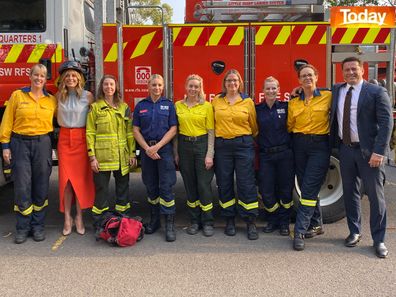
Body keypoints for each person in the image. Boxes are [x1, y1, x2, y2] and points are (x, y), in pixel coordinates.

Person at [330, 57, 393, 258]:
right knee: (350, 193)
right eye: (346, 69)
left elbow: (386, 123)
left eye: (354, 69)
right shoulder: (337, 90)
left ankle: (379, 239)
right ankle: (354, 231)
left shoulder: (376, 92)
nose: (350, 73)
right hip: (346, 150)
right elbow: (318, 92)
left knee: (376, 197)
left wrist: (379, 152)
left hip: (369, 153)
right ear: (342, 72)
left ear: (362, 70)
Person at [0, 64, 57, 244]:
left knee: (40, 185)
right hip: (20, 143)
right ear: (30, 76)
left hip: (42, 143)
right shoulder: (18, 95)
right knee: (22, 186)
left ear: (46, 78)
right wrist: (5, 146)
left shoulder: (51, 100)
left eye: (42, 76)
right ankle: (22, 228)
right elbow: (7, 121)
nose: (39, 79)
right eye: (36, 75)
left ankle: (37, 226)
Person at [287, 64, 331, 251]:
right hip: (299, 144)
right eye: (303, 76)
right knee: (306, 184)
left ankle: (299, 231)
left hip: (319, 145)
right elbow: (290, 125)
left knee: (308, 187)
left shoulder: (329, 96)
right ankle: (317, 224)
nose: (307, 78)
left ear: (317, 77)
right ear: (299, 80)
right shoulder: (293, 102)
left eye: (310, 75)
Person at [212, 69, 259, 240]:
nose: (232, 83)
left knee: (246, 183)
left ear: (240, 83)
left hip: (242, 145)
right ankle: (229, 220)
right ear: (224, 83)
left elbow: (254, 126)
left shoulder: (247, 102)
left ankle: (250, 221)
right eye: (229, 81)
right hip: (222, 146)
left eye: (235, 80)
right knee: (224, 183)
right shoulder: (217, 100)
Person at [86, 75, 137, 230]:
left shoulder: (124, 107)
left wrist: (132, 153)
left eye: (112, 84)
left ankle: (123, 219)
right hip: (102, 158)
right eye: (106, 84)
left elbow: (129, 132)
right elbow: (90, 133)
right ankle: (99, 222)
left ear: (116, 87)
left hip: (122, 157)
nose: (109, 87)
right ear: (102, 87)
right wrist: (92, 157)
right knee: (101, 191)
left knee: (123, 190)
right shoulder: (95, 107)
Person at [132, 74, 178, 242]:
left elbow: (173, 129)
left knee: (166, 187)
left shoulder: (169, 105)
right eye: (153, 85)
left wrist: (157, 147)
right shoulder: (141, 106)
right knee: (151, 186)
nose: (156, 88)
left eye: (159, 85)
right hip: (147, 150)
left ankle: (169, 224)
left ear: (163, 87)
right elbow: (135, 129)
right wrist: (147, 148)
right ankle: (155, 220)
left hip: (163, 150)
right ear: (148, 86)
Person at [56, 61, 95, 236]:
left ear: (79, 78)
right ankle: (67, 218)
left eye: (74, 75)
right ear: (63, 79)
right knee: (66, 182)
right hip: (64, 139)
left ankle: (79, 217)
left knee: (80, 180)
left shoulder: (88, 96)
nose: (71, 78)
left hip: (81, 138)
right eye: (67, 76)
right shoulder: (57, 96)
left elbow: (93, 121)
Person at [174, 74, 215, 237]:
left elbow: (211, 132)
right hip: (184, 146)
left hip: (202, 145)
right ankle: (194, 221)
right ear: (186, 87)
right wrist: (176, 153)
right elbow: (176, 132)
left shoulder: (206, 106)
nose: (193, 89)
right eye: (190, 86)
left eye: (196, 86)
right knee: (190, 186)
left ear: (200, 88)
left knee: (204, 185)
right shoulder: (178, 105)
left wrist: (209, 154)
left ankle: (208, 222)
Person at [256, 76, 294, 236]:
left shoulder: (287, 107)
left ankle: (284, 222)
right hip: (266, 156)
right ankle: (272, 220)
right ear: (263, 91)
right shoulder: (257, 109)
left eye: (274, 88)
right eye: (268, 88)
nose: (271, 91)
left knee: (286, 189)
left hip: (285, 154)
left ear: (279, 90)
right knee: (266, 190)